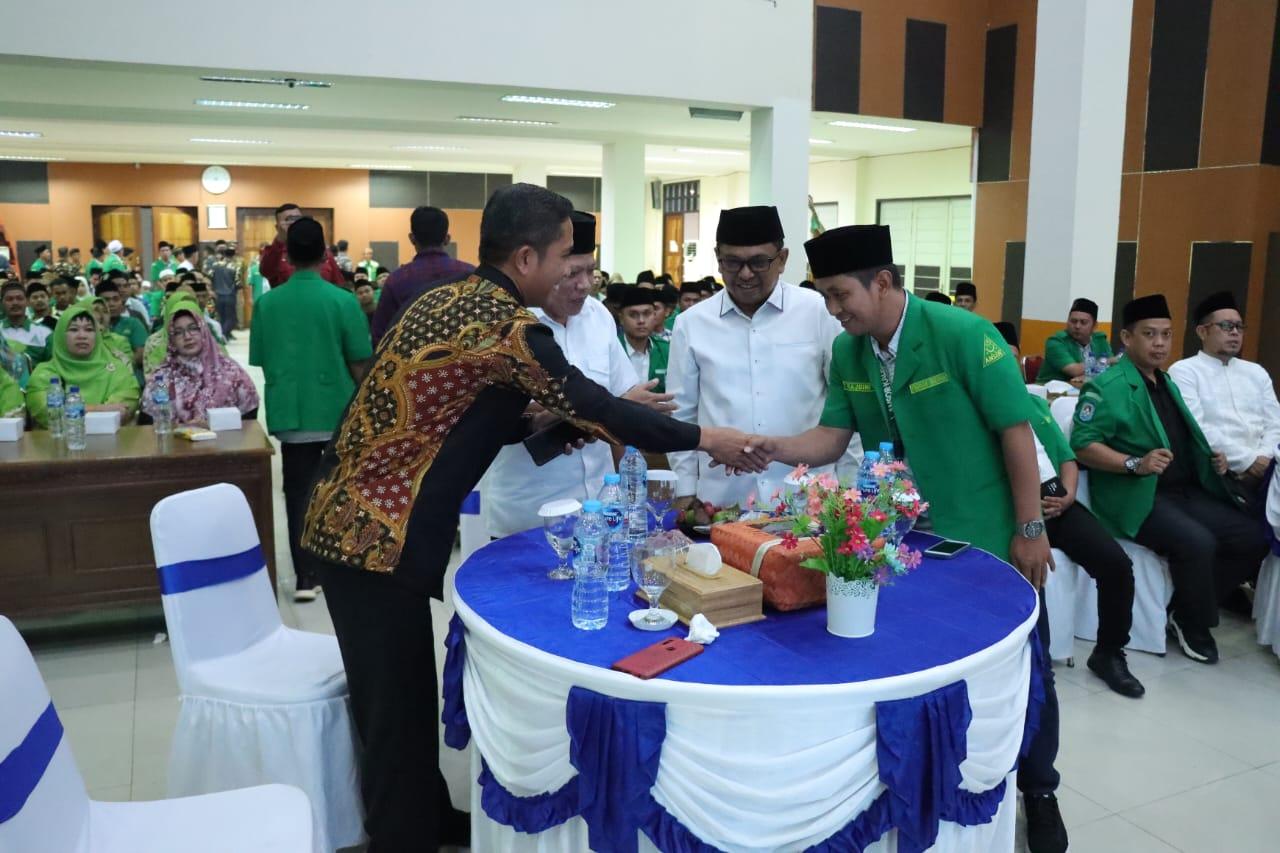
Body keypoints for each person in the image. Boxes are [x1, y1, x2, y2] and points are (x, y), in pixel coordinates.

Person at [300, 184, 755, 851]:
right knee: (393, 708)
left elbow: (461, 418)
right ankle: (400, 837)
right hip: (372, 534)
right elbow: (595, 403)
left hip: (352, 520)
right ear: (525, 257)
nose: (576, 270)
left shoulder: (450, 299)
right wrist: (708, 439)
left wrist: (547, 423)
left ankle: (424, 818)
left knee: (400, 698)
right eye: (566, 256)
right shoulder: (505, 325)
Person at [750, 224, 1067, 853]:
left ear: (885, 282)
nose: (834, 310)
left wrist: (1029, 529)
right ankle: (939, 776)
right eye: (826, 297)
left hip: (987, 536)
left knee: (1027, 667)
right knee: (925, 664)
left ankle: (1040, 787)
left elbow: (1015, 432)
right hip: (903, 539)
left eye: (842, 295)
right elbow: (832, 438)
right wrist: (769, 448)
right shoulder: (851, 353)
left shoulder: (962, 335)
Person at [1070, 294, 1265, 664]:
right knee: (1199, 543)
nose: (1159, 343)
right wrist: (1134, 464)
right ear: (1127, 338)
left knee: (1251, 537)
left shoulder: (1166, 381)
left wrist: (1213, 459)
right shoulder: (1108, 386)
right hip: (1137, 493)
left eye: (1166, 335)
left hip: (1182, 489)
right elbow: (1082, 445)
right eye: (1149, 334)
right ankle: (1194, 622)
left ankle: (1182, 607)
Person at [482, 211, 676, 538]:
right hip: (528, 513)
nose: (585, 284)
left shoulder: (598, 317)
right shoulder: (509, 324)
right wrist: (610, 407)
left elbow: (620, 419)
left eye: (591, 270)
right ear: (542, 266)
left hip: (599, 510)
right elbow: (500, 419)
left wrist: (628, 500)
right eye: (573, 272)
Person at [667, 205, 856, 517]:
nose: (745, 274)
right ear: (717, 258)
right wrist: (686, 491)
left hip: (809, 501)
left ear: (782, 259)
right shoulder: (692, 324)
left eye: (758, 262)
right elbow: (682, 414)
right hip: (723, 502)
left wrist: (850, 488)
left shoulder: (819, 313)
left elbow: (846, 410)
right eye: (733, 262)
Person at [251, 217, 373, 603]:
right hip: (337, 411)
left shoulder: (267, 304)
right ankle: (342, 566)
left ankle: (306, 578)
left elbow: (261, 358)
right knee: (341, 491)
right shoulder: (343, 301)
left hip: (291, 413)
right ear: (325, 255)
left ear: (287, 254)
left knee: (298, 493)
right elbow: (359, 361)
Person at [1027, 390, 1143, 696]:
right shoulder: (982, 407)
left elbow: (1067, 458)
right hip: (1015, 510)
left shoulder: (1036, 404)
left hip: (1057, 505)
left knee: (1116, 565)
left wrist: (1067, 495)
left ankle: (1109, 653)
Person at [1169, 290, 1280, 503]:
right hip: (1220, 475)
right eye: (1227, 326)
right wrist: (1248, 461)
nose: (1235, 333)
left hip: (1268, 472)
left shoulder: (1256, 371)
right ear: (1202, 332)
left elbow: (1275, 423)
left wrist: (1264, 460)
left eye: (1239, 327)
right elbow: (1199, 429)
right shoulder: (1184, 371)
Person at [142, 299, 258, 427]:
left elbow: (250, 414)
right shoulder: (162, 377)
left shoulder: (230, 371)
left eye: (193, 329)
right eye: (178, 332)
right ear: (172, 340)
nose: (187, 336)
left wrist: (214, 425)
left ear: (204, 331)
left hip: (225, 444)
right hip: (176, 444)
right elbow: (149, 421)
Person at [370, 206, 475, 345]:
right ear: (447, 238)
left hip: (411, 364)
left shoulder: (396, 280)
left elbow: (380, 337)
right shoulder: (472, 275)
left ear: (412, 238)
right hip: (463, 364)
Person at [26, 304, 140, 428]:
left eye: (89, 330)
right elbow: (48, 414)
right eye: (74, 330)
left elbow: (124, 409)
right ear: (60, 336)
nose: (82, 336)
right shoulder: (44, 373)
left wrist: (76, 410)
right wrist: (101, 409)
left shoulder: (117, 369)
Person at [259, 204, 345, 288]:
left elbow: (338, 283)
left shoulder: (322, 251)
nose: (294, 223)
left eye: (298, 219)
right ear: (278, 227)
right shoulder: (276, 253)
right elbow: (266, 271)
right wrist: (280, 239)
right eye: (288, 219)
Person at [1036, 298, 1113, 385]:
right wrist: (1107, 361)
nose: (1077, 326)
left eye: (1083, 322)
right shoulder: (1056, 342)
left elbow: (1114, 369)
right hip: (1051, 393)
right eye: (1073, 321)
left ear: (1095, 325)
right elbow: (1074, 370)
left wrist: (1090, 377)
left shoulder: (1100, 340)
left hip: (1083, 390)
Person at [618, 286, 669, 393]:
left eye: (646, 314)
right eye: (633, 315)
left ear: (654, 315)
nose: (641, 320)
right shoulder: (612, 349)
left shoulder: (667, 350)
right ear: (621, 318)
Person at [96, 277, 147, 374]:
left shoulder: (133, 323)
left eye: (116, 299)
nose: (112, 304)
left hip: (130, 375)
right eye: (106, 300)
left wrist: (116, 369)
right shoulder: (91, 327)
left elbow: (141, 354)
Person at [2, 281, 51, 364]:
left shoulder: (45, 333)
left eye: (19, 298)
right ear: (2, 303)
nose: (15, 303)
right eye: (9, 299)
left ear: (27, 302)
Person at [90, 297, 135, 369]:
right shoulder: (80, 340)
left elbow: (127, 368)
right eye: (96, 311)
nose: (101, 315)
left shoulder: (120, 341)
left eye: (105, 311)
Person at [208, 245, 241, 340]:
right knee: (231, 318)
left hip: (217, 295)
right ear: (233, 255)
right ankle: (223, 334)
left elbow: (209, 277)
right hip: (230, 295)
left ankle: (224, 334)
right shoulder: (235, 266)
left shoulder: (215, 265)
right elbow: (238, 282)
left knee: (221, 317)